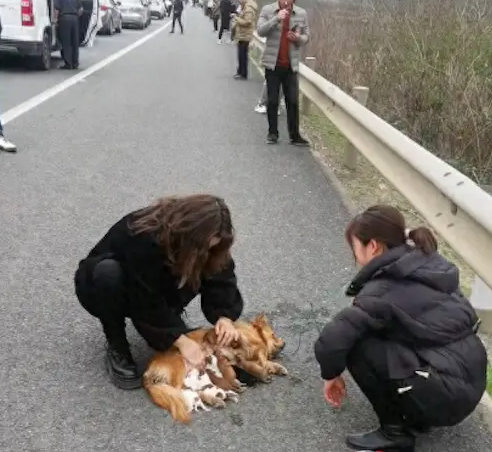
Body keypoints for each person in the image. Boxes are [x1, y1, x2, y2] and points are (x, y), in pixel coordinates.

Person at [314, 205, 487, 452]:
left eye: (354, 246)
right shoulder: (428, 264)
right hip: (469, 380)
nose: (353, 253)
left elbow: (332, 340)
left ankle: (394, 432)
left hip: (448, 395)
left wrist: (330, 375)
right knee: (374, 329)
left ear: (372, 246)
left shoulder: (383, 290)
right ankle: (418, 413)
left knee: (357, 344)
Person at [74, 194, 244, 390]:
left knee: (198, 261)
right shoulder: (141, 233)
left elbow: (221, 272)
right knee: (108, 274)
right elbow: (143, 295)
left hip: (152, 285)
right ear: (187, 232)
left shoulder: (210, 241)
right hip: (107, 285)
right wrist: (179, 340)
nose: (208, 249)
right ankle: (117, 347)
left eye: (212, 245)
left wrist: (224, 315)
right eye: (203, 245)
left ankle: (168, 320)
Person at [257, 0, 310, 146]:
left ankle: (295, 135)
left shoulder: (301, 13)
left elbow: (306, 36)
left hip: (290, 65)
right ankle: (273, 133)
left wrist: (298, 39)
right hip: (273, 64)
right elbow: (260, 30)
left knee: (292, 101)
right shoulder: (268, 10)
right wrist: (276, 18)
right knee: (272, 100)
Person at [230, 0, 257, 80]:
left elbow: (247, 22)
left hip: (245, 34)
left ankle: (243, 73)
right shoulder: (245, 6)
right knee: (241, 55)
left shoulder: (249, 8)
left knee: (242, 55)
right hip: (242, 34)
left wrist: (236, 18)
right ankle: (241, 72)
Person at [54, 0, 83, 69]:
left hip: (64, 18)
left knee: (66, 42)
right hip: (74, 18)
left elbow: (56, 10)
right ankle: (75, 63)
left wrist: (55, 21)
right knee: (74, 42)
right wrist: (76, 16)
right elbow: (81, 10)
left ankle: (68, 63)